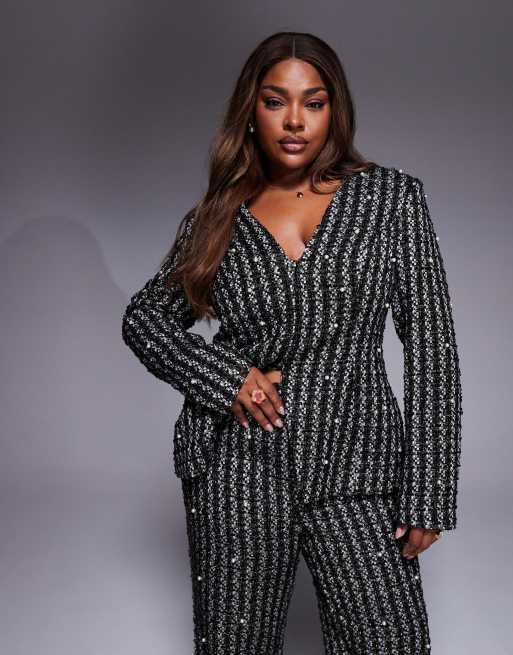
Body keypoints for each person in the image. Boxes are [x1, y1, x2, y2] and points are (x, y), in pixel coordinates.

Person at [122, 31, 462, 655]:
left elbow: (432, 348)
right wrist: (225, 379)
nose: (296, 121)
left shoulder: (390, 200)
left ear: (335, 111)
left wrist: (429, 490)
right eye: (276, 101)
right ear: (251, 111)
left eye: (314, 102)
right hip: (239, 469)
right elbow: (144, 319)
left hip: (358, 466)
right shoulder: (218, 218)